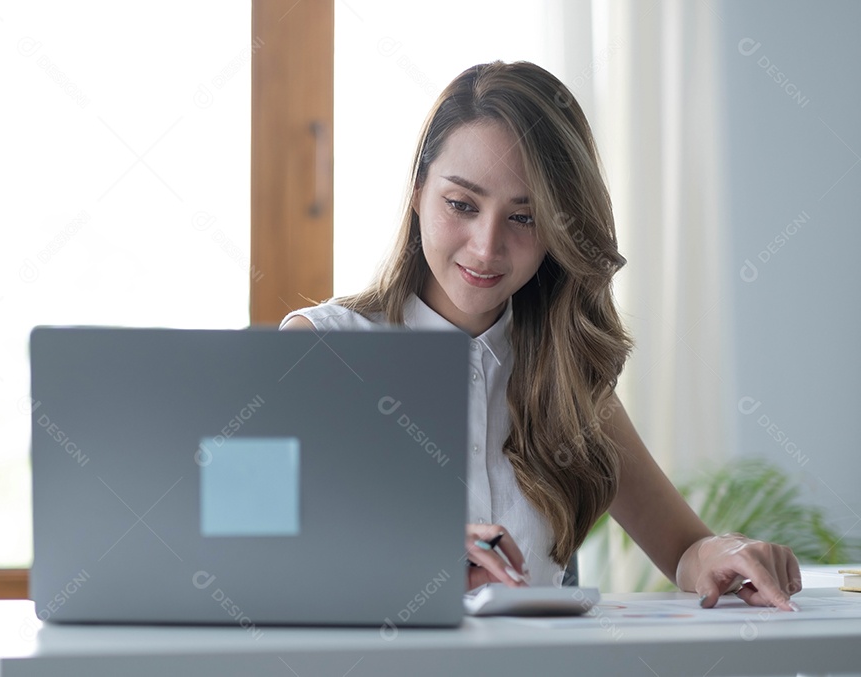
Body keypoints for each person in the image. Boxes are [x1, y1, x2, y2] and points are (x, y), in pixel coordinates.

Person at [281, 61, 801, 611]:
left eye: (524, 218)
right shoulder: (323, 348)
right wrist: (411, 554)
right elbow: (235, 550)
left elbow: (685, 550)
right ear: (417, 194)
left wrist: (731, 552)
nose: (486, 247)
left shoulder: (566, 376)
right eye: (461, 205)